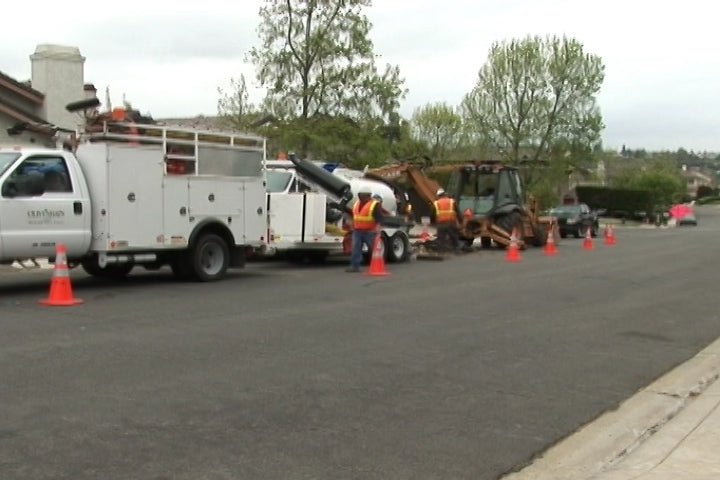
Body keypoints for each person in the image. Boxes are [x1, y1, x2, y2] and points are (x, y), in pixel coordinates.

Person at [346, 190, 383, 272]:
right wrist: (352, 224)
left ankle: (378, 264)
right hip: (357, 230)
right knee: (356, 248)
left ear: (367, 195)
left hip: (369, 231)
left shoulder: (374, 204)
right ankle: (355, 266)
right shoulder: (356, 203)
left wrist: (378, 227)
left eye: (362, 195)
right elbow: (355, 215)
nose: (360, 196)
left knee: (373, 248)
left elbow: (379, 217)